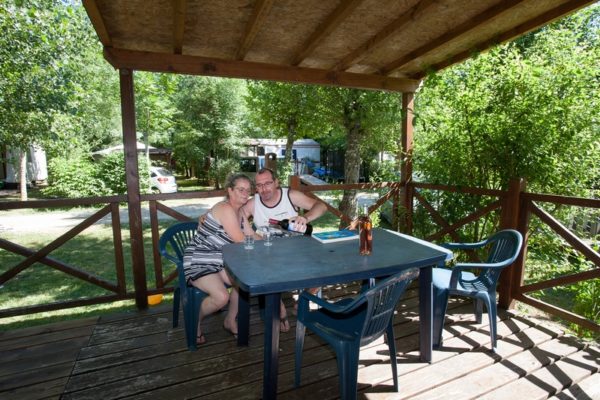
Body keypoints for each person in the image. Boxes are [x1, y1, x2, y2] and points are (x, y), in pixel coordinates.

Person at [242, 167, 328, 331]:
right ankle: (279, 309)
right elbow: (236, 214)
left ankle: (303, 300)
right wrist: (212, 213)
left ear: (276, 182)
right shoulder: (254, 203)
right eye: (259, 185)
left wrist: (305, 217)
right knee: (263, 270)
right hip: (267, 252)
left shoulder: (290, 195)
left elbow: (321, 206)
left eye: (267, 183)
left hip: (296, 250)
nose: (263, 189)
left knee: (323, 268)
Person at [183, 173, 256, 345]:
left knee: (242, 283)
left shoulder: (240, 213)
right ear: (230, 190)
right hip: (199, 257)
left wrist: (270, 241)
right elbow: (240, 240)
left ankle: (230, 320)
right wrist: (256, 241)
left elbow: (252, 236)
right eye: (240, 189)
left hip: (219, 258)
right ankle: (194, 321)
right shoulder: (225, 209)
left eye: (248, 190)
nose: (245, 193)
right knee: (221, 297)